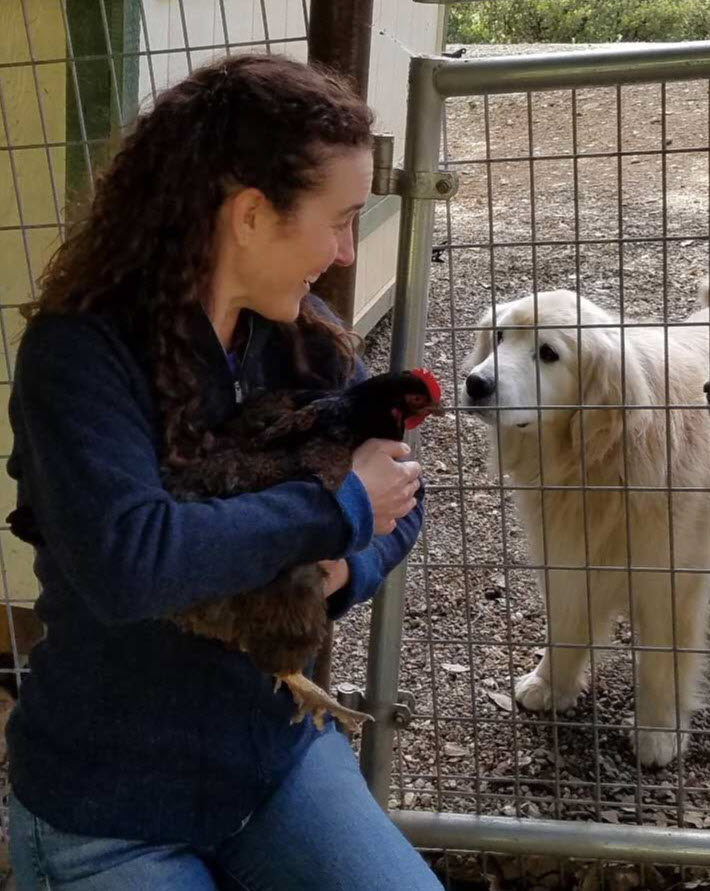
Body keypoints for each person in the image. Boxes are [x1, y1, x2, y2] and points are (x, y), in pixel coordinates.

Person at [5, 53, 442, 890]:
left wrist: (337, 568)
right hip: (111, 807)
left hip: (272, 758)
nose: (347, 253)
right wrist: (334, 511)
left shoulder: (301, 335)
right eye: (339, 219)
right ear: (250, 215)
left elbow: (401, 494)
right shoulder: (80, 356)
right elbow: (134, 561)